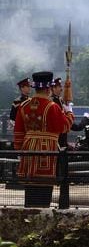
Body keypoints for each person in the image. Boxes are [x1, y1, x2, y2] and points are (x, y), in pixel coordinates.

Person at [14, 71, 74, 207]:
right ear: (48, 89)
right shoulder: (51, 106)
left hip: (28, 148)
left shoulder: (23, 106)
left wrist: (19, 150)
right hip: (46, 149)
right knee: (44, 185)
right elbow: (64, 126)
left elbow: (18, 131)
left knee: (30, 186)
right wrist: (69, 112)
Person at [50, 77, 69, 148]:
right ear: (53, 88)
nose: (61, 89)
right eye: (59, 87)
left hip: (63, 135)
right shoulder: (52, 101)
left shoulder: (60, 100)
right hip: (57, 136)